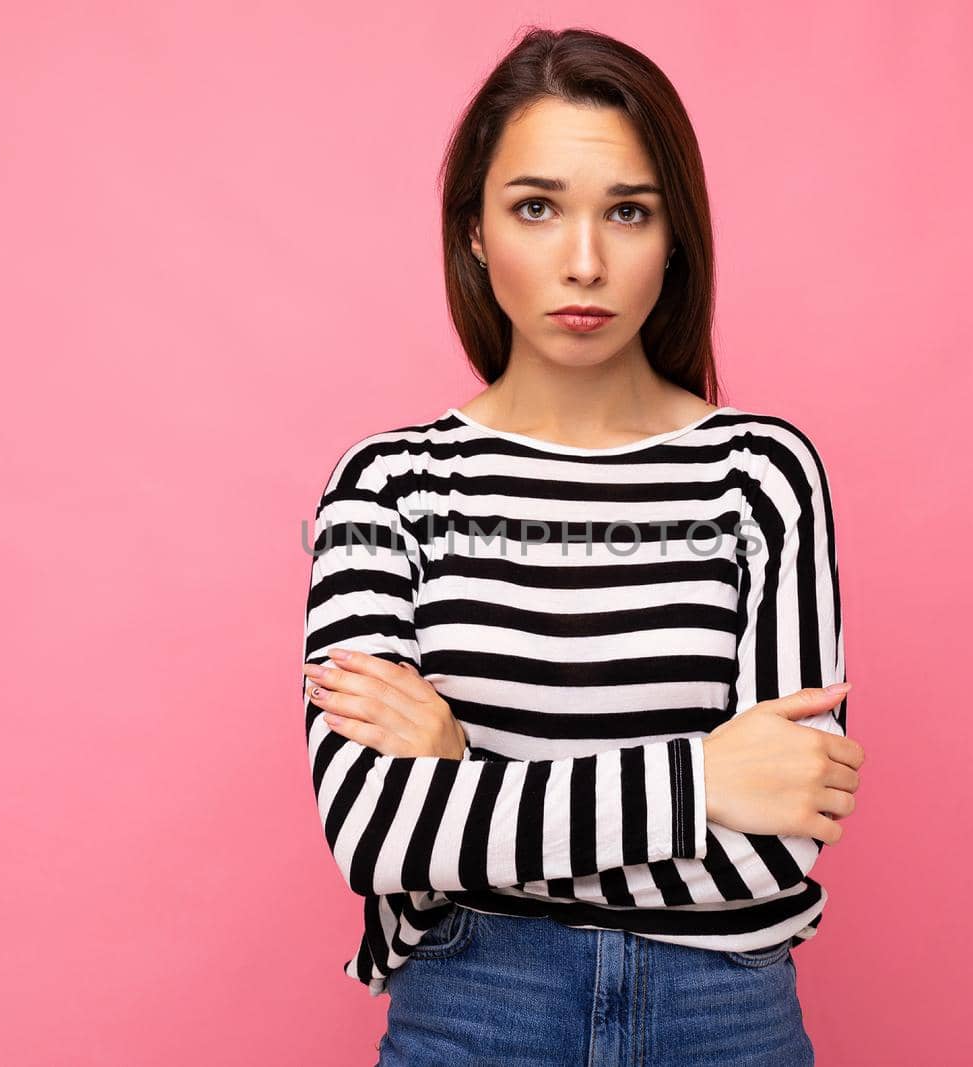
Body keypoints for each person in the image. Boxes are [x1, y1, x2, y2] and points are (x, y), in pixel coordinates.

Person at [299, 27, 865, 1065]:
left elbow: (782, 830)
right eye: (536, 207)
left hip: (722, 1021)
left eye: (629, 211)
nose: (585, 261)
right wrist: (702, 783)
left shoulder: (761, 472)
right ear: (474, 230)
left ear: (675, 235)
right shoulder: (388, 485)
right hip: (476, 1012)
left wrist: (464, 772)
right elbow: (377, 832)